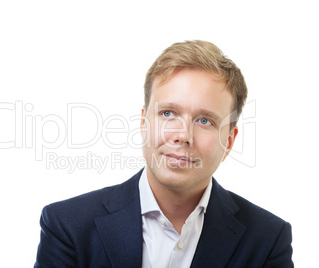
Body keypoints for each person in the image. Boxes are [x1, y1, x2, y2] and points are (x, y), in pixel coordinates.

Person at [34, 40, 293, 267]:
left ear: (229, 141)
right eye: (168, 113)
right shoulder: (68, 226)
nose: (183, 135)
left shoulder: (268, 240)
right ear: (144, 123)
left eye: (204, 120)